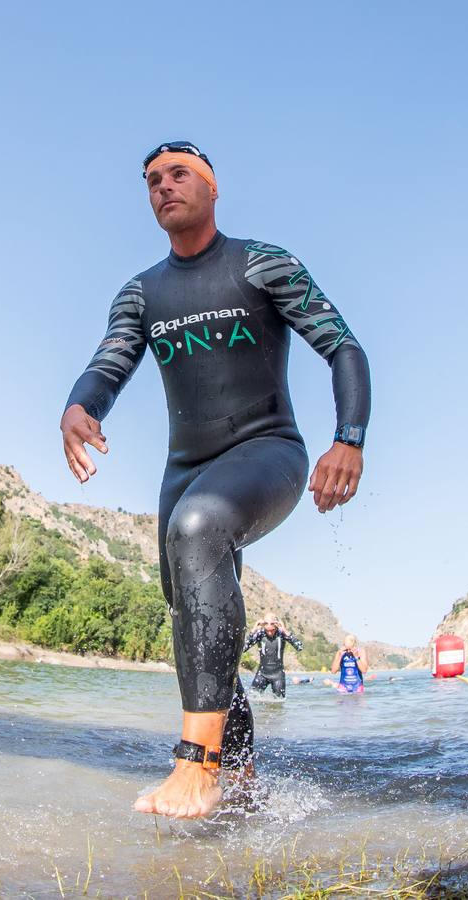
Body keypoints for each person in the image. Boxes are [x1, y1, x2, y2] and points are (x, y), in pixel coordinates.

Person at [60, 141, 371, 819]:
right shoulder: (141, 292)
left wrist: (348, 440)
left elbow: (343, 346)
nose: (163, 187)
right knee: (191, 615)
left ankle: (195, 767)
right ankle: (241, 775)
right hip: (185, 469)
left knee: (198, 527)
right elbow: (109, 363)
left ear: (212, 187)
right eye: (152, 181)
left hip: (268, 451)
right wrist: (80, 407)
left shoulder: (263, 263)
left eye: (179, 175)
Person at [243, 617, 303, 699]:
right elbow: (243, 648)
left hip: (278, 675)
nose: (270, 633)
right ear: (264, 626)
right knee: (251, 698)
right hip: (262, 674)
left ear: (276, 626)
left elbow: (299, 647)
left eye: (272, 630)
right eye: (267, 630)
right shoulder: (260, 634)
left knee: (279, 702)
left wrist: (285, 631)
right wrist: (253, 630)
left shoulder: (282, 634)